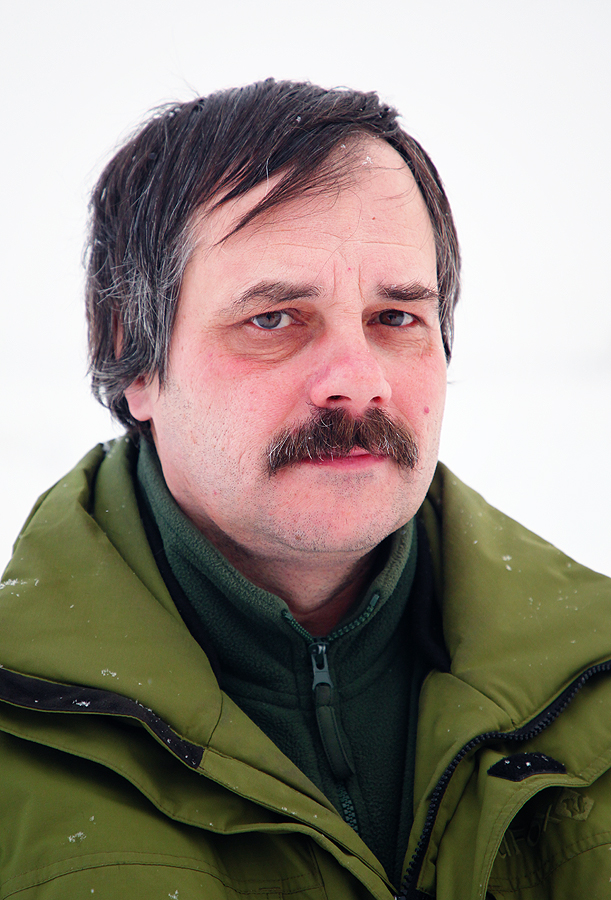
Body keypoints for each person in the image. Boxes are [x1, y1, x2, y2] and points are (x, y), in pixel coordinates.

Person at [0, 79, 609, 900]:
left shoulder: (593, 677)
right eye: (274, 319)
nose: (357, 380)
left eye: (395, 318)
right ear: (134, 356)